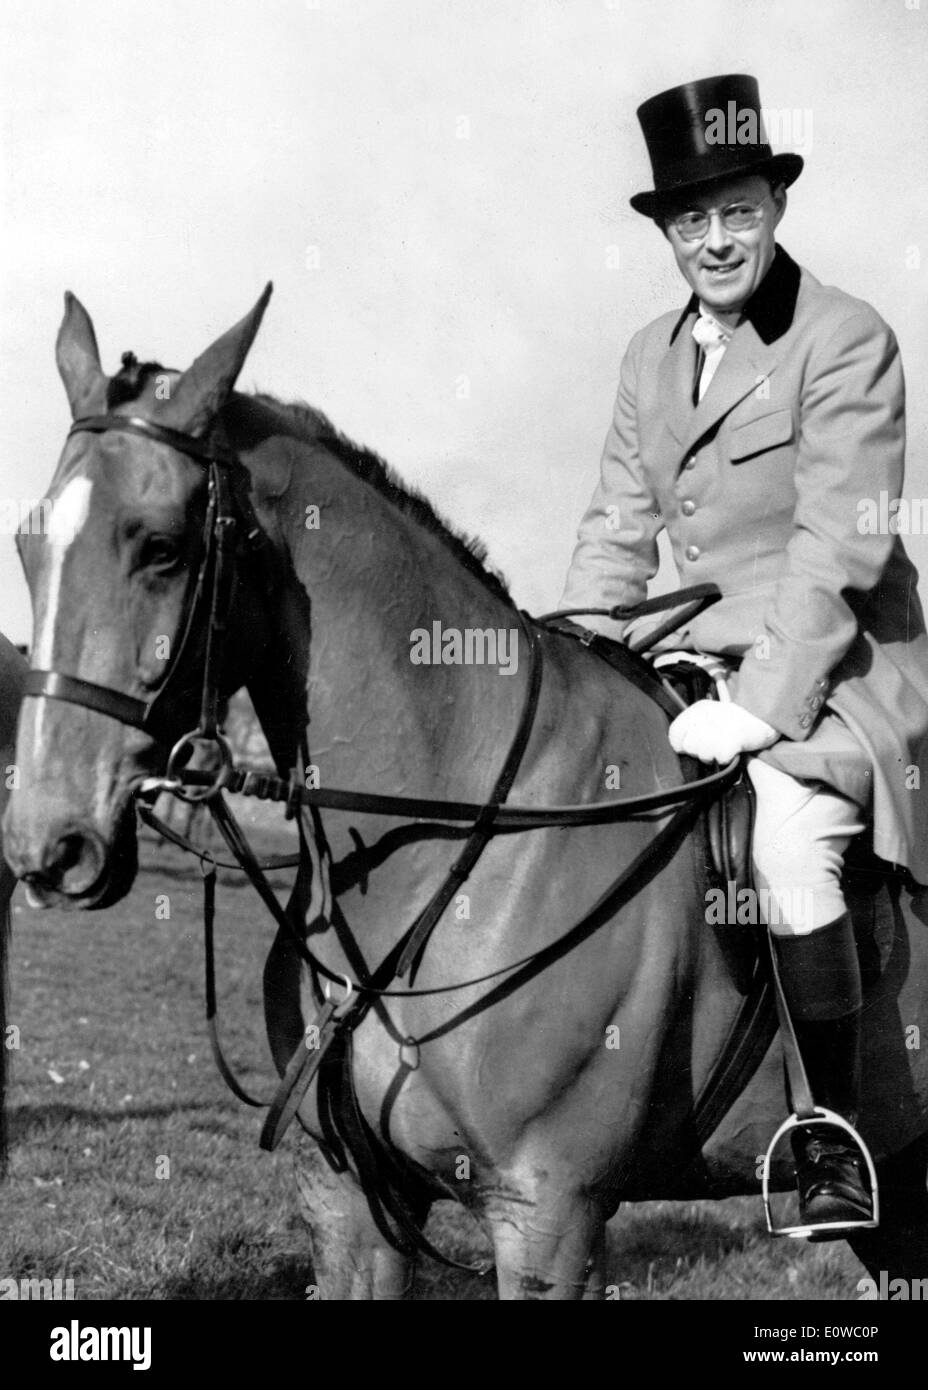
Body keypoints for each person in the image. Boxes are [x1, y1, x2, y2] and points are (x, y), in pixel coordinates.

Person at [558, 73, 928, 1235]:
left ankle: (832, 1138)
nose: (713, 241)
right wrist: (566, 660)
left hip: (839, 678)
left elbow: (836, 555)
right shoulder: (646, 357)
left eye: (735, 212)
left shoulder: (846, 339)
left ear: (774, 206)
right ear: (665, 232)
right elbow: (617, 529)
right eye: (688, 221)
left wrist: (764, 708)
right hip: (699, 670)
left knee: (782, 839)